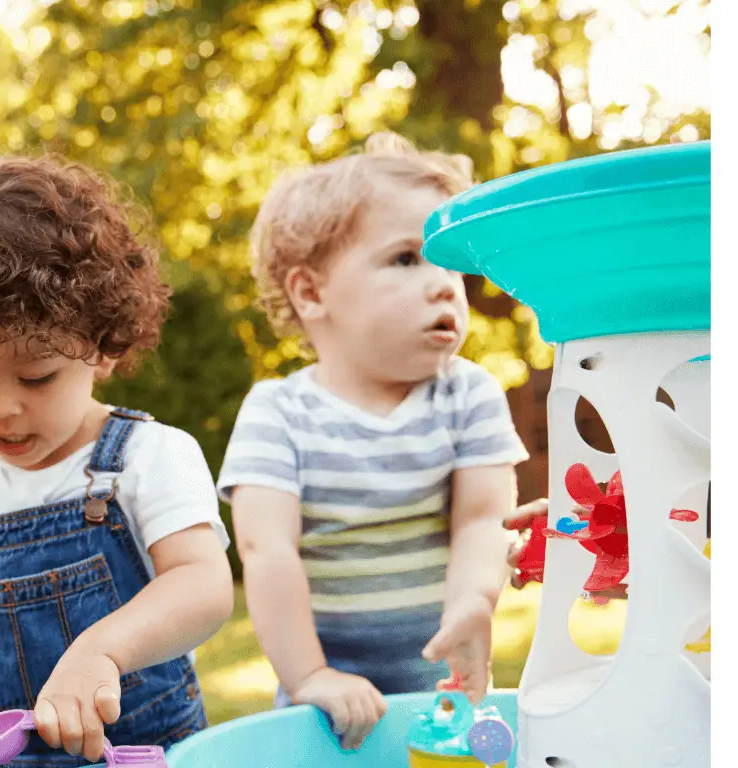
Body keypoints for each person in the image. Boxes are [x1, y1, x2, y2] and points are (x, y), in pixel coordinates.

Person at [0, 156, 235, 766]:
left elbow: (202, 585)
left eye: (37, 376)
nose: (0, 408)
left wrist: (104, 650)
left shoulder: (150, 456)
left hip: (135, 749)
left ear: (101, 346)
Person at [216, 133, 533, 751]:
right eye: (407, 259)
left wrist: (474, 601)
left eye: (450, 263)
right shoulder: (279, 411)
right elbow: (265, 547)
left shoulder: (468, 395)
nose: (445, 285)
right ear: (312, 293)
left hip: (442, 692)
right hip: (329, 710)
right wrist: (310, 675)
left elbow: (480, 520)